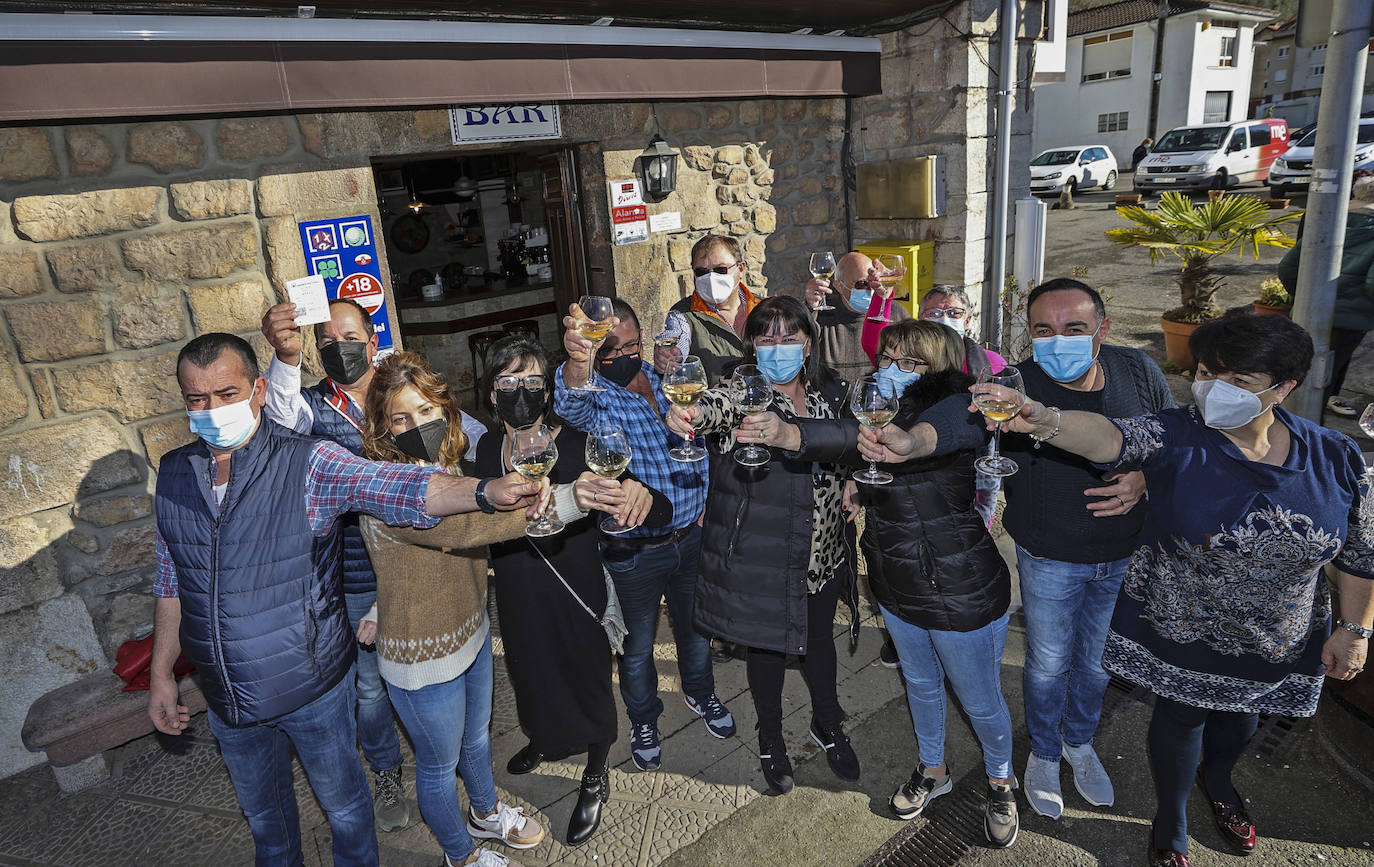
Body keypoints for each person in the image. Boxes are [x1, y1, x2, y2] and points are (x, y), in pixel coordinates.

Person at [872, 311, 1374, 867]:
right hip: (1187, 628)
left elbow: (1359, 552)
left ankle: (1222, 783)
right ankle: (1171, 821)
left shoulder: (1337, 455)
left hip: (1281, 635)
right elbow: (1111, 437)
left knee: (1241, 723)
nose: (1214, 389)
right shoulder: (1177, 432)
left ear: (1284, 388)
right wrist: (1043, 420)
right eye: (1207, 372)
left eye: (1239, 381)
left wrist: (1355, 630)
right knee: (1179, 720)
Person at [148, 333, 544, 867]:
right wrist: (160, 674)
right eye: (197, 400)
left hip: (308, 686)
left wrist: (482, 491)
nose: (212, 410)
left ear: (259, 390)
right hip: (226, 698)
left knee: (347, 816)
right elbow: (173, 581)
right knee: (267, 827)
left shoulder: (308, 463)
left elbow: (399, 487)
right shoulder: (173, 475)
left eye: (226, 393)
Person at [768, 320, 1019, 845]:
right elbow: (846, 441)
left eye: (910, 362)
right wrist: (817, 452)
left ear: (940, 367)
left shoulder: (964, 407)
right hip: (895, 582)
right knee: (921, 686)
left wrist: (908, 441)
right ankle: (934, 771)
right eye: (888, 358)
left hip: (960, 586)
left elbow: (942, 431)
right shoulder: (878, 412)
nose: (892, 370)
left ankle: (1001, 781)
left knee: (980, 700)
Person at [259, 297, 486, 831]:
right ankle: (386, 772)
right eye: (326, 341)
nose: (340, 348)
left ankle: (472, 786)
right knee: (369, 688)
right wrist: (285, 357)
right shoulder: (310, 406)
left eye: (349, 336)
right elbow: (280, 418)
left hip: (433, 564)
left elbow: (467, 434)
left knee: (458, 676)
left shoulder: (402, 392)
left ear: (372, 337)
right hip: (359, 575)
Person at [475, 335, 670, 846]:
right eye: (510, 382)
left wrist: (638, 491)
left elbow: (652, 502)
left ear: (548, 391)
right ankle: (544, 738)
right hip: (517, 588)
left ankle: (597, 768)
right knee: (530, 669)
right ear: (492, 395)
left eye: (534, 382)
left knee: (585, 675)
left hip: (574, 583)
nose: (523, 392)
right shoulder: (486, 449)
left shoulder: (580, 440)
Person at [357, 351, 550, 867]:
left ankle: (484, 812)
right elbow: (464, 530)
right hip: (423, 657)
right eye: (400, 418)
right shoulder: (388, 488)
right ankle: (459, 855)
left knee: (477, 740)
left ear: (443, 411)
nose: (415, 424)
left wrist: (379, 600)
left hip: (471, 629)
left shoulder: (446, 468)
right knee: (439, 768)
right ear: (382, 427)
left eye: (424, 411)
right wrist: (564, 501)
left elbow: (405, 562)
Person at [666, 294, 861, 795]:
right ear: (751, 345)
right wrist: (688, 412)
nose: (779, 347)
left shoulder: (829, 390)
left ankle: (826, 721)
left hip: (823, 551)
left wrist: (852, 480)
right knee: (768, 653)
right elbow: (714, 408)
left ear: (808, 344)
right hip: (765, 555)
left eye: (789, 338)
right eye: (766, 338)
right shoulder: (741, 389)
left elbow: (849, 439)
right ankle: (770, 736)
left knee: (820, 641)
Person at [996, 277, 1172, 819]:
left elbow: (1172, 437)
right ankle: (1045, 754)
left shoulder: (1137, 370)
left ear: (1102, 330)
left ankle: (1079, 743)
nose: (1058, 341)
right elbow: (969, 441)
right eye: (1043, 330)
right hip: (1050, 555)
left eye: (1074, 328)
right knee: (1048, 664)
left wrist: (1144, 478)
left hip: (1125, 552)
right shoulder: (1011, 386)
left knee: (1097, 664)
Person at [555, 298, 736, 773]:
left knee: (696, 631)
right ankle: (644, 719)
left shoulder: (669, 380)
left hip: (692, 537)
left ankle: (700, 695)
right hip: (635, 550)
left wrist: (706, 506)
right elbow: (570, 400)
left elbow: (701, 444)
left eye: (631, 345)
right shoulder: (600, 397)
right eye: (608, 350)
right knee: (636, 649)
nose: (623, 356)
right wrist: (578, 361)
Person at [1276, 172, 1374, 419]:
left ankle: (1288, 428)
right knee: (1324, 378)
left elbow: (1288, 267)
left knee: (1297, 373)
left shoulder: (1324, 217)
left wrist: (1302, 298)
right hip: (1350, 319)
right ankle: (1308, 436)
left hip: (1308, 312)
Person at [658, 234, 762, 385]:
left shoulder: (763, 307)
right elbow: (676, 337)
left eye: (720, 270)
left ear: (740, 269)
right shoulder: (683, 315)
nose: (711, 278)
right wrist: (669, 354)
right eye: (701, 272)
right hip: (716, 406)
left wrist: (810, 306)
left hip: (766, 403)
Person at [806, 250, 911, 384]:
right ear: (839, 286)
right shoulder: (822, 317)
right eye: (862, 284)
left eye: (873, 282)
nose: (871, 289)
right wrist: (809, 307)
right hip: (832, 403)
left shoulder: (895, 312)